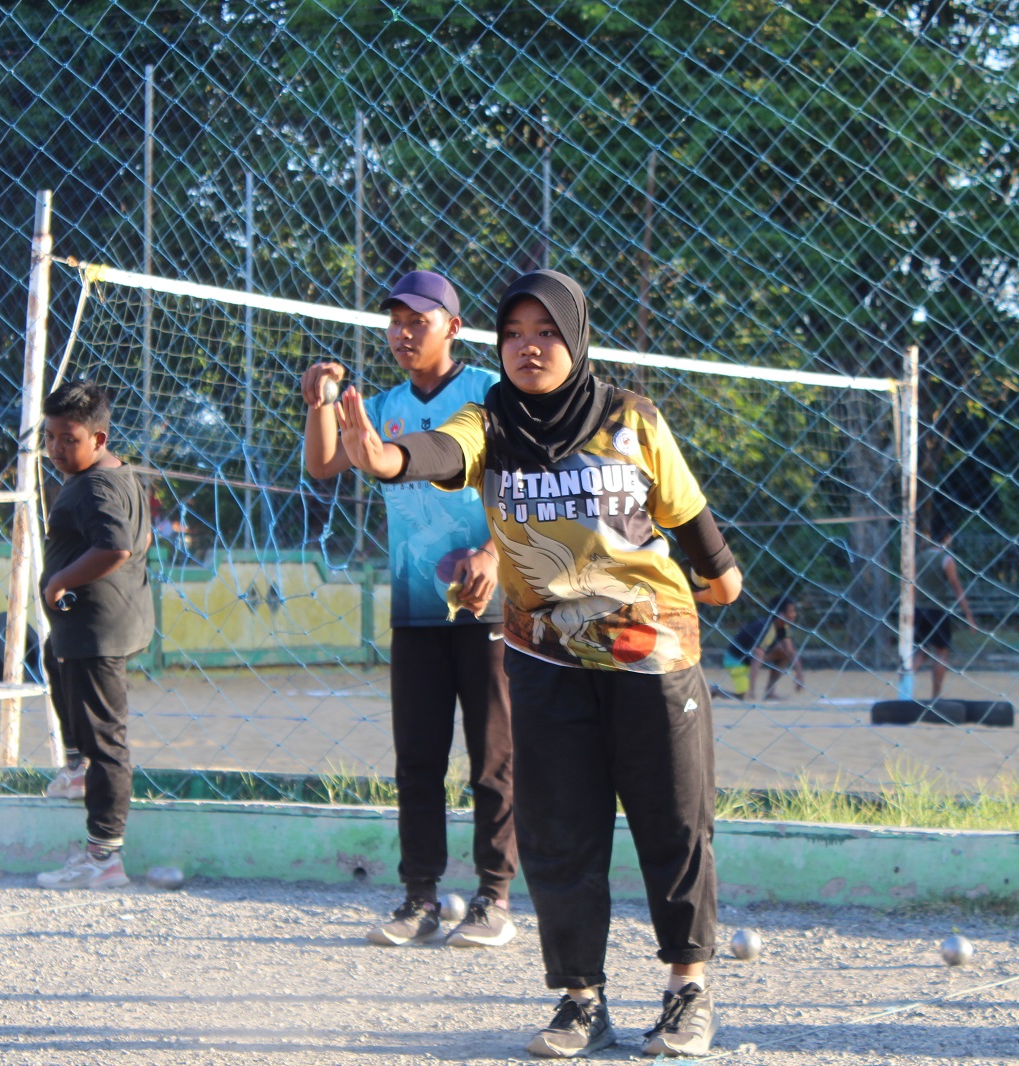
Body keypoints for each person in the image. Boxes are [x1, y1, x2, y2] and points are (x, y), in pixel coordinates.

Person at [336, 269, 743, 1058]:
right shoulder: (488, 421)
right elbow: (436, 451)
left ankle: (686, 988)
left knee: (674, 824)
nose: (529, 347)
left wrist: (721, 576)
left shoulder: (632, 419)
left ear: (576, 337)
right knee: (560, 830)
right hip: (544, 656)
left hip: (650, 653)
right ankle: (579, 1001)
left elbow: (687, 513)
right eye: (515, 333)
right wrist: (383, 459)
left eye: (546, 332)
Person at [302, 270, 519, 949]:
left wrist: (491, 552)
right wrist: (317, 403)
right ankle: (420, 897)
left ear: (452, 327)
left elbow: (523, 486)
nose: (401, 331)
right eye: (394, 320)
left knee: (493, 760)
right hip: (416, 609)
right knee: (417, 760)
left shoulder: (488, 392)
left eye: (416, 320)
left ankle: (494, 897)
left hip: (488, 607)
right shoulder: (385, 403)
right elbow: (323, 465)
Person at [35, 379, 154, 890]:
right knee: (50, 657)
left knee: (108, 740)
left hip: (97, 630)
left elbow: (115, 548)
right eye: (51, 437)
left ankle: (103, 856)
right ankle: (77, 764)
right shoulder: (117, 473)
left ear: (99, 440)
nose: (57, 449)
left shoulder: (97, 485)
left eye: (69, 439)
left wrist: (60, 579)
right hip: (89, 626)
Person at [914, 522, 975, 699]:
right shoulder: (946, 560)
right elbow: (957, 589)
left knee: (919, 652)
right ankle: (935, 695)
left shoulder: (919, 558)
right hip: (937, 611)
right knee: (941, 653)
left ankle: (905, 689)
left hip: (919, 610)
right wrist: (969, 616)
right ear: (947, 538)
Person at [723, 594, 804, 702]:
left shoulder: (782, 626)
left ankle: (769, 692)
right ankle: (715, 690)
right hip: (735, 661)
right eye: (791, 612)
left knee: (783, 653)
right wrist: (752, 689)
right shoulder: (767, 627)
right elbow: (758, 654)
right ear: (780, 614)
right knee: (743, 696)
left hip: (749, 658)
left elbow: (790, 651)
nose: (794, 615)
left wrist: (800, 675)